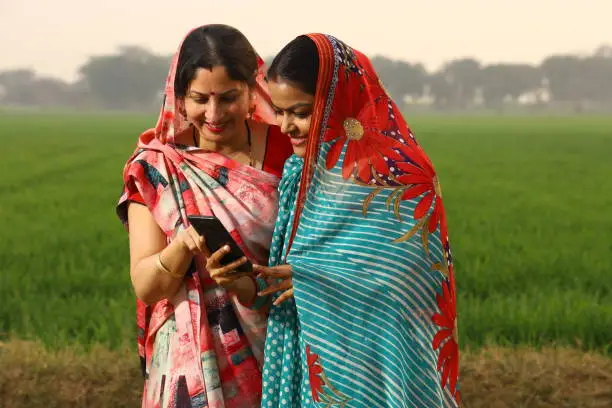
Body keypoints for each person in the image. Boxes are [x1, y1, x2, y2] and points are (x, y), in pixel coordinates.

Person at [253, 34, 461, 407]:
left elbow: (412, 276)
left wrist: (313, 278)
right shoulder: (297, 172)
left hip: (381, 356)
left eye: (300, 112)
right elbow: (290, 264)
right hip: (312, 348)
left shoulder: (398, 172)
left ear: (340, 101)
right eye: (279, 112)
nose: (286, 127)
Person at [115, 24, 293, 408]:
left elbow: (318, 250)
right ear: (179, 98)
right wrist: (181, 247)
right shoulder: (158, 166)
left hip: (279, 342)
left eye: (228, 98)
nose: (213, 114)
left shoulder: (288, 149)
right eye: (199, 99)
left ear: (253, 90)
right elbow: (146, 285)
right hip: (189, 359)